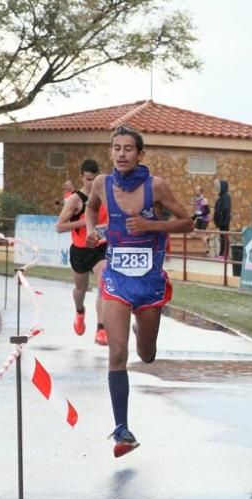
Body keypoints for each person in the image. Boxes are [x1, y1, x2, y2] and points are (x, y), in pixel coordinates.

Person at [84, 126, 194, 457]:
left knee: (146, 354)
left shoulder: (155, 186)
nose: (121, 154)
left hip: (148, 283)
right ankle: (122, 431)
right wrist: (91, 232)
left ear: (140, 154)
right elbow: (90, 208)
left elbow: (187, 221)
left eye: (128, 149)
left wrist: (152, 226)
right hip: (117, 278)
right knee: (117, 352)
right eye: (116, 148)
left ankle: (143, 333)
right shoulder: (102, 183)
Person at [55, 159, 109, 345]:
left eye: (95, 179)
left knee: (104, 283)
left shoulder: (105, 196)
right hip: (80, 251)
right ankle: (79, 312)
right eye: (88, 179)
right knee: (80, 290)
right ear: (81, 177)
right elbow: (59, 226)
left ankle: (101, 329)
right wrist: (85, 222)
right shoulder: (75, 200)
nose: (92, 183)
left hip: (100, 248)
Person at [213, 178, 232, 258]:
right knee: (222, 238)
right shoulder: (221, 198)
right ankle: (222, 254)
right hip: (221, 222)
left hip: (224, 221)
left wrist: (224, 221)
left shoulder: (226, 197)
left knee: (225, 238)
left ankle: (224, 254)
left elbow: (226, 209)